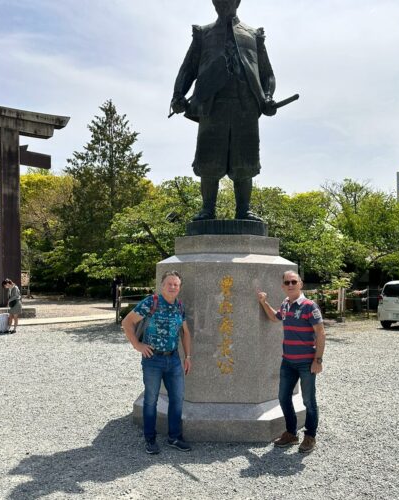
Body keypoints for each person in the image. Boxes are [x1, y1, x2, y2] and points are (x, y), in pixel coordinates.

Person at [171, 0, 277, 221]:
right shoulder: (204, 34)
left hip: (245, 106)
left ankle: (244, 210)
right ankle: (207, 209)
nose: (222, 4)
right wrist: (178, 95)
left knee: (245, 161)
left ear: (237, 1)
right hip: (212, 105)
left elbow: (267, 73)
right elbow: (188, 68)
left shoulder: (253, 35)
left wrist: (268, 97)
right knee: (209, 160)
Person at [121, 270, 193, 455]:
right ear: (162, 285)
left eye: (176, 284)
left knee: (177, 398)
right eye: (169, 284)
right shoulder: (151, 302)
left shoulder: (179, 306)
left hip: (174, 359)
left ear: (179, 288)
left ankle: (174, 437)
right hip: (152, 359)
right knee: (151, 399)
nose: (172, 287)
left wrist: (188, 357)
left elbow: (185, 332)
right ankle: (150, 439)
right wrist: (137, 345)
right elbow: (127, 322)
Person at [257, 270, 326, 453]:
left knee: (308, 401)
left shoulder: (310, 306)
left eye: (294, 282)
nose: (290, 285)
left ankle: (310, 436)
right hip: (287, 361)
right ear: (283, 286)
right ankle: (291, 433)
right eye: (287, 282)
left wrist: (318, 360)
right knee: (283, 397)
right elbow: (275, 317)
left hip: (306, 362)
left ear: (300, 284)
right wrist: (264, 302)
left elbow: (320, 333)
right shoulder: (286, 304)